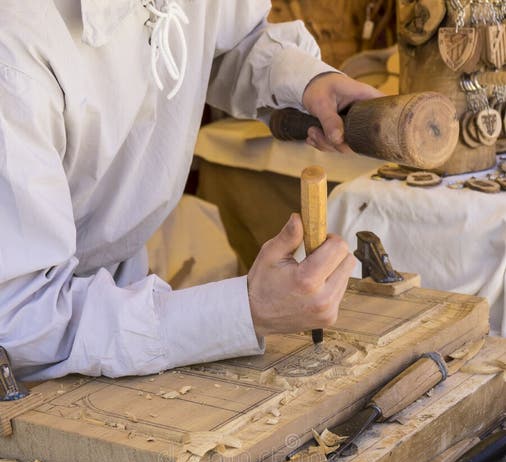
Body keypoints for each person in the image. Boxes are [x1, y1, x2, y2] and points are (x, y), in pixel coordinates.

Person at [0, 0, 379, 382]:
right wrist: (245, 310)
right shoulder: (14, 48)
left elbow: (228, 40)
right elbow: (21, 323)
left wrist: (302, 78)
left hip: (114, 308)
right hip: (29, 360)